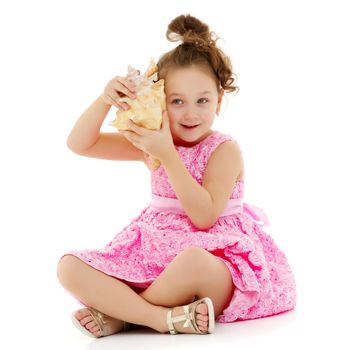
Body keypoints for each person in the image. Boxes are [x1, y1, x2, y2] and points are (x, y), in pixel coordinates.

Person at [56, 14, 297, 337]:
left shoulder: (223, 150)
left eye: (203, 100)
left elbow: (204, 216)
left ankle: (124, 316)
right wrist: (105, 99)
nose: (191, 113)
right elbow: (81, 144)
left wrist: (167, 154)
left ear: (219, 101)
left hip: (213, 261)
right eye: (177, 101)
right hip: (154, 255)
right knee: (69, 267)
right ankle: (157, 317)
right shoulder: (151, 141)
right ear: (160, 102)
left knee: (192, 261)